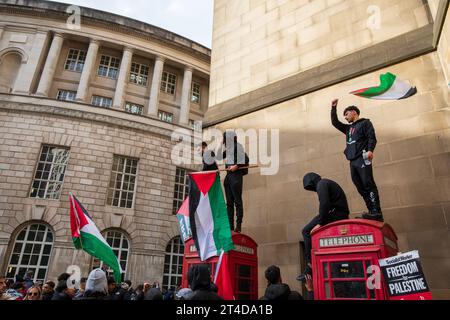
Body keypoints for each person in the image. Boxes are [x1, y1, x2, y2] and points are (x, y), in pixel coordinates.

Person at [331, 99, 383, 222]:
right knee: (360, 186)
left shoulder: (365, 123)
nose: (345, 117)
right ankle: (371, 211)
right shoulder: (348, 129)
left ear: (354, 112)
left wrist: (370, 150)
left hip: (362, 157)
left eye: (346, 114)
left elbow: (372, 137)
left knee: (368, 184)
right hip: (352, 161)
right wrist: (333, 108)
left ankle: (377, 211)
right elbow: (335, 122)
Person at [297, 172, 350, 281]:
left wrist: (320, 223)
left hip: (335, 213)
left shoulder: (322, 184)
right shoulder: (325, 183)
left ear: (311, 182)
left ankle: (310, 266)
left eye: (309, 187)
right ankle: (309, 268)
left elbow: (324, 204)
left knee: (306, 231)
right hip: (338, 213)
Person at [222, 130, 249, 233]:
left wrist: (236, 166)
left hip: (236, 176)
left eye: (224, 138)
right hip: (228, 177)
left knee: (237, 201)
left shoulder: (238, 146)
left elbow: (245, 159)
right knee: (229, 203)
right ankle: (230, 226)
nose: (223, 140)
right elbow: (219, 156)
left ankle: (238, 225)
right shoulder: (228, 149)